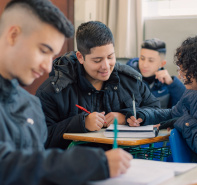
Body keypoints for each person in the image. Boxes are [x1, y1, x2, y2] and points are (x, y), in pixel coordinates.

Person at [0, 0, 133, 184]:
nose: (47, 66)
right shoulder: (45, 95)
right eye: (42, 50)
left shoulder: (30, 105)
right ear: (13, 35)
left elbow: (37, 171)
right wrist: (91, 164)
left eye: (52, 56)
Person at [36, 21, 161, 150]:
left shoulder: (130, 81)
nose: (106, 66)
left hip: (126, 162)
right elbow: (39, 138)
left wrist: (126, 117)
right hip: (75, 166)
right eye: (97, 60)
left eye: (110, 57)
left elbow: (157, 112)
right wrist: (81, 124)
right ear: (80, 57)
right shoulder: (54, 90)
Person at [129, 34, 197, 167]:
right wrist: (142, 115)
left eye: (184, 69)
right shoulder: (194, 94)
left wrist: (185, 122)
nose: (180, 74)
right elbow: (172, 114)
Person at [127, 38, 186, 108]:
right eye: (142, 58)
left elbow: (184, 104)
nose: (144, 65)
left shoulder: (166, 84)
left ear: (162, 63)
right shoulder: (127, 77)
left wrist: (172, 83)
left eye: (151, 60)